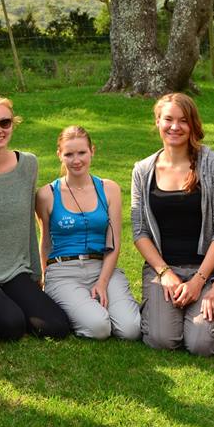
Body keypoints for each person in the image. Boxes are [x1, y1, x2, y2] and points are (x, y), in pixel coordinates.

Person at [130, 93, 214, 355]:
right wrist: (165, 275)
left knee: (202, 344)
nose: (175, 127)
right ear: (157, 122)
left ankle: (203, 308)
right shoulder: (142, 170)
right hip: (164, 270)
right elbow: (140, 232)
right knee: (161, 339)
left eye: (183, 120)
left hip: (206, 270)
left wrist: (199, 281)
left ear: (193, 125)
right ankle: (171, 307)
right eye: (168, 119)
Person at [0, 95, 70, 340]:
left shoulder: (28, 164)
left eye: (5, 122)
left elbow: (28, 223)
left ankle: (8, 301)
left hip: (16, 270)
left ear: (13, 124)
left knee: (56, 327)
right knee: (11, 326)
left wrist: (35, 273)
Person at [36, 125, 140, 341]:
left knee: (130, 330)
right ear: (59, 155)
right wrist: (45, 278)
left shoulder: (109, 188)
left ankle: (99, 304)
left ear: (92, 150)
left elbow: (115, 242)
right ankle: (81, 307)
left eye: (82, 152)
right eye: (69, 154)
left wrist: (102, 282)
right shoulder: (47, 194)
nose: (76, 160)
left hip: (102, 266)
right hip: (63, 272)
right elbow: (45, 240)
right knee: (99, 328)